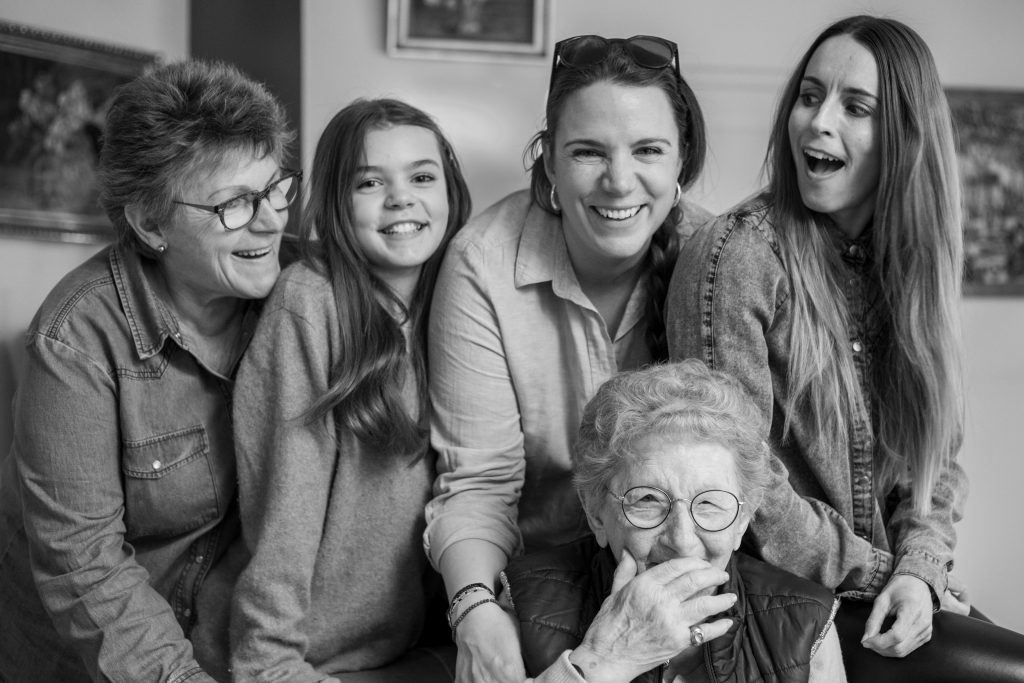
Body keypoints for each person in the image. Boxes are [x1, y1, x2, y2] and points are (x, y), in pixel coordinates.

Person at [666, 15, 969, 659]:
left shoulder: (913, 273)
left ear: (905, 138)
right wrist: (884, 574)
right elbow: (736, 485)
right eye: (809, 96)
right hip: (779, 614)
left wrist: (920, 569)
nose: (817, 121)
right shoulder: (736, 255)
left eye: (855, 107)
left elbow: (933, 465)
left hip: (887, 595)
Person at [425, 34, 714, 682]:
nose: (619, 180)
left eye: (647, 150)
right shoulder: (482, 262)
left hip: (682, 575)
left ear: (681, 161)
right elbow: (478, 483)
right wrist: (475, 609)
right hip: (531, 588)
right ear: (549, 163)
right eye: (588, 151)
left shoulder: (716, 259)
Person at [0, 59, 295, 682]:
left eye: (274, 188)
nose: (271, 219)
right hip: (76, 661)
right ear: (150, 222)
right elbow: (84, 563)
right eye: (234, 204)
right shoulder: (76, 336)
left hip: (214, 645)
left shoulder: (299, 291)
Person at [222, 98, 471, 682]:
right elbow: (283, 508)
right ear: (337, 201)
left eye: (422, 177)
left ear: (449, 192)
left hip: (400, 649)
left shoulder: (457, 301)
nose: (401, 198)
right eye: (370, 182)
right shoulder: (310, 302)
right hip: (298, 656)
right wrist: (270, 662)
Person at [501, 360, 847, 683]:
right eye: (647, 500)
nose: (682, 540)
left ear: (743, 517)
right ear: (595, 512)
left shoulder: (808, 623)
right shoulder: (522, 604)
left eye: (709, 503)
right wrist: (605, 661)